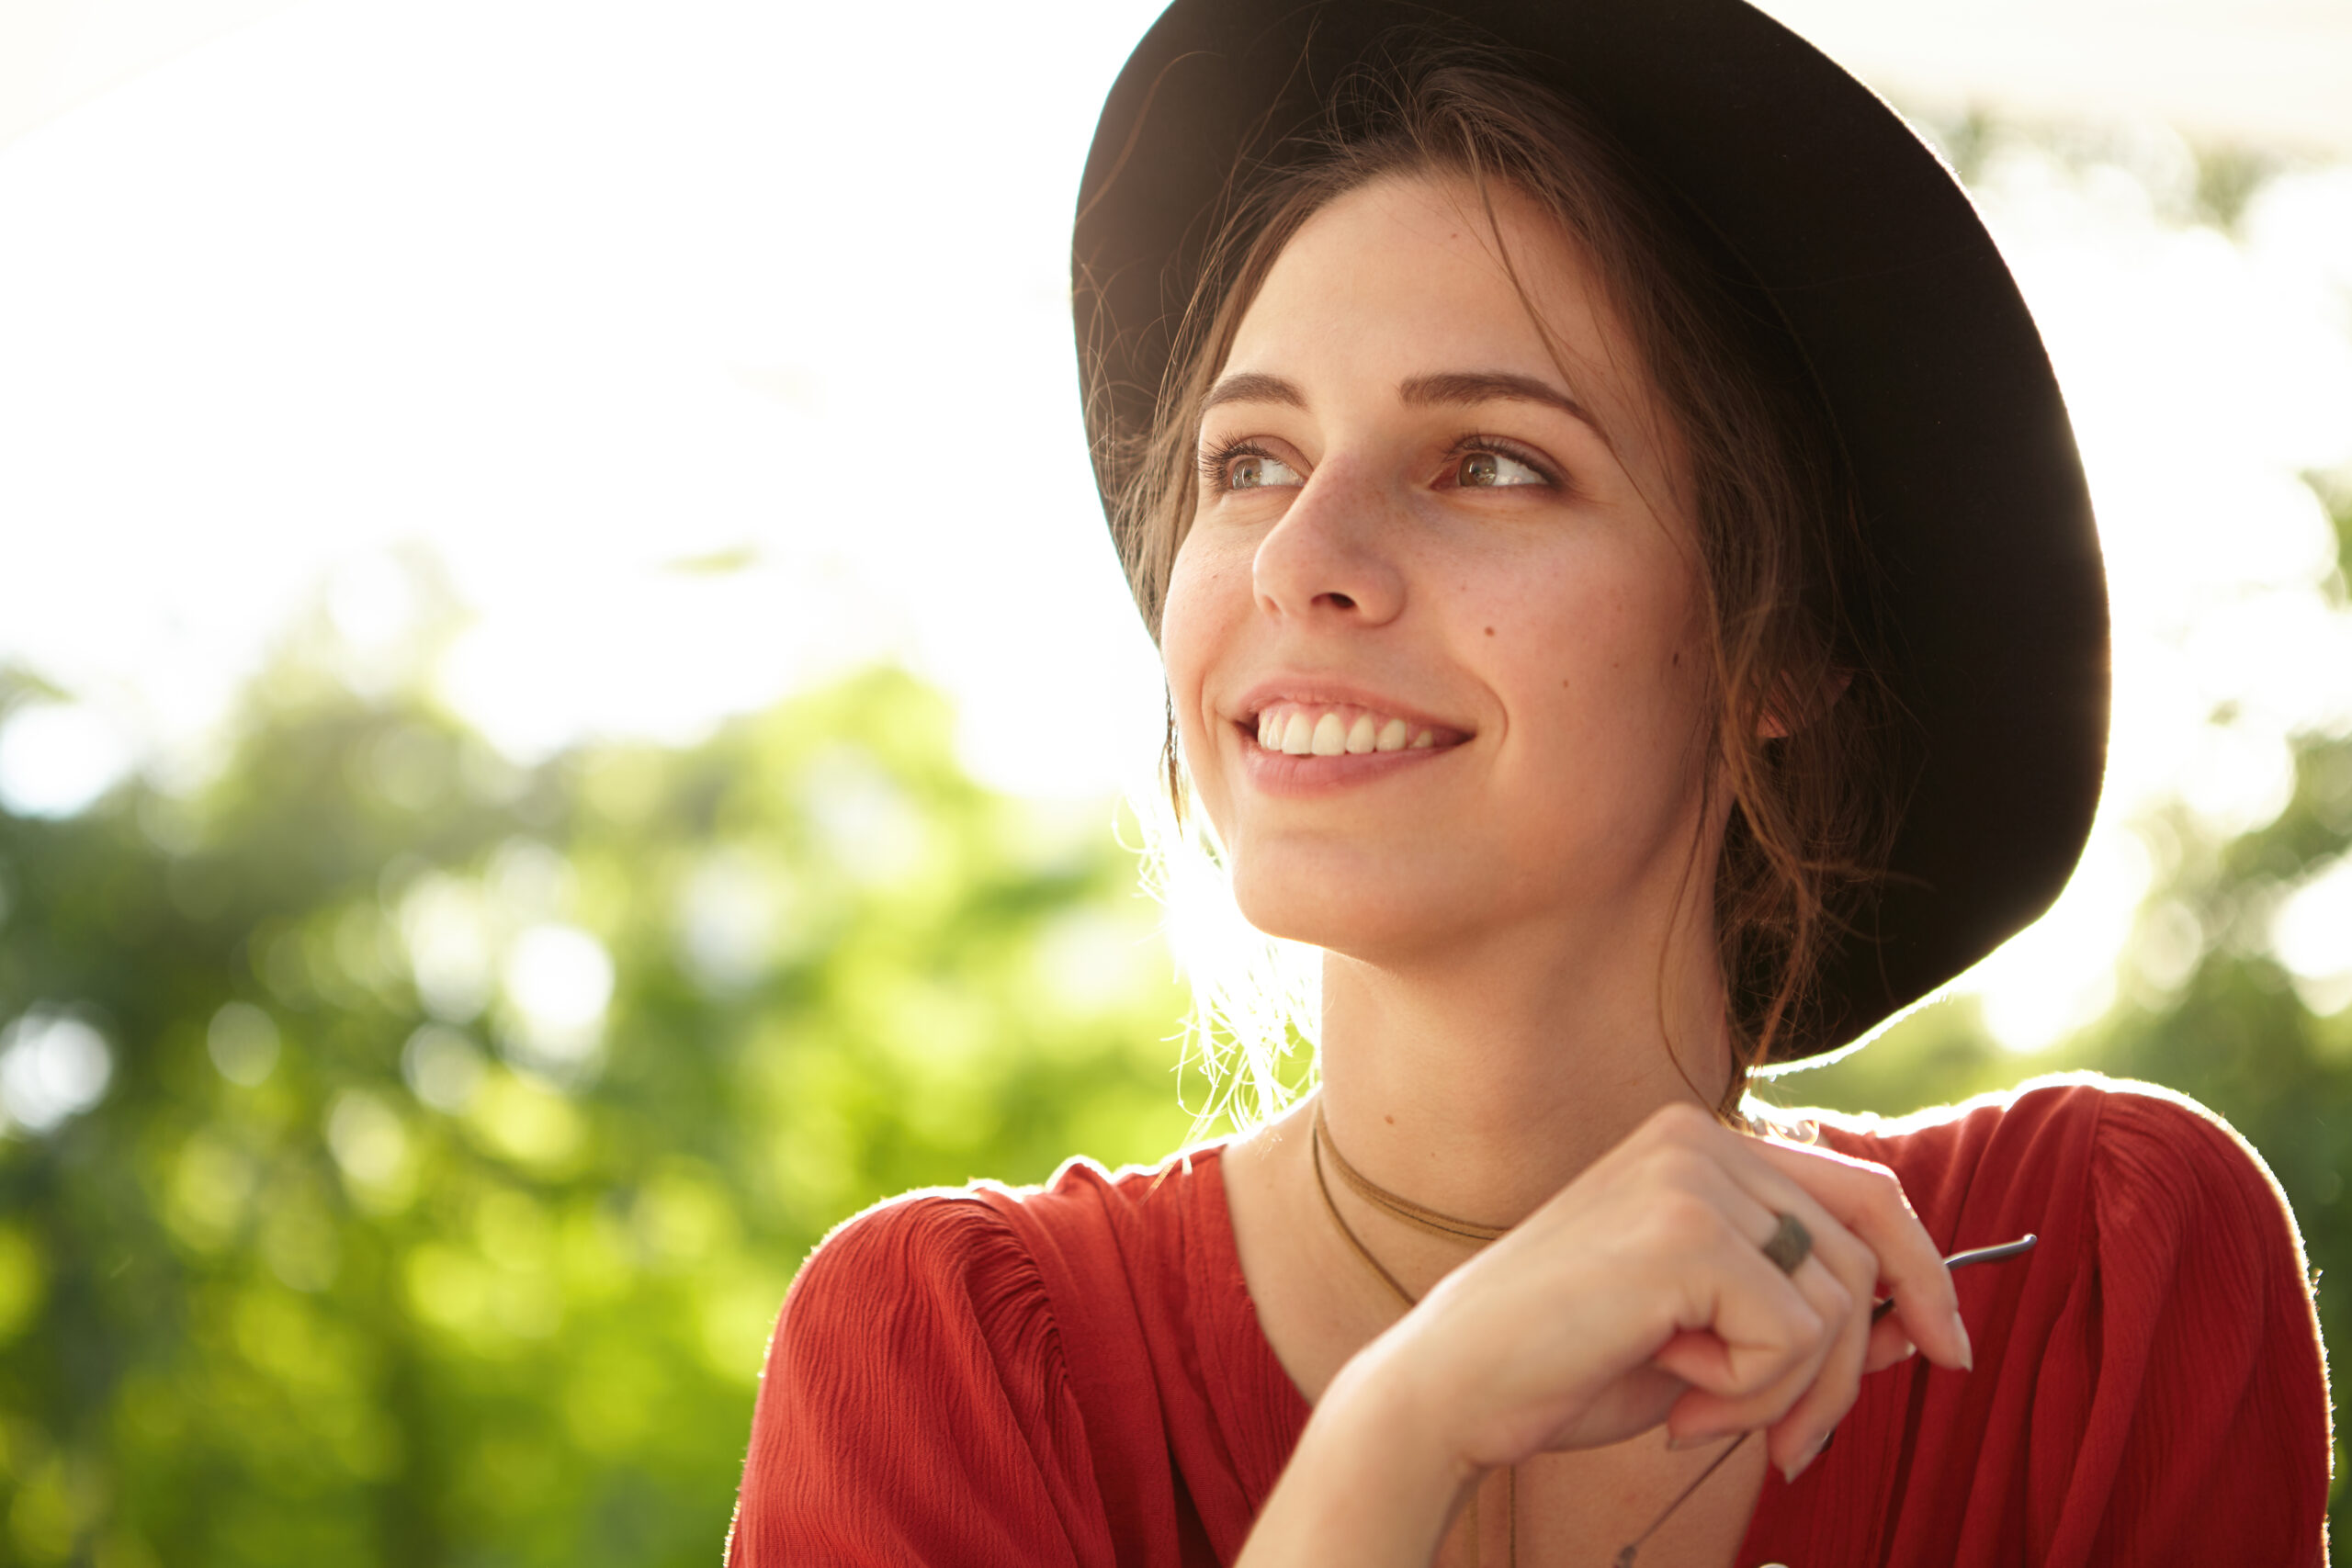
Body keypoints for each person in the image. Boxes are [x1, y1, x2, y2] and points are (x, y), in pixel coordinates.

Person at [729, 1, 2332, 1562]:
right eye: (1251, 460)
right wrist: (1402, 1433)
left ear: (1784, 655)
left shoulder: (2091, 1282)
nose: (1300, 558)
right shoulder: (948, 1358)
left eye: (1493, 461)